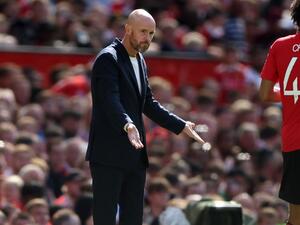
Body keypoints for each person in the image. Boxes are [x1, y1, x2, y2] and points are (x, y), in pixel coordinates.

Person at [85, 8, 204, 225]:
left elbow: (148, 103)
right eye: (142, 32)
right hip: (108, 154)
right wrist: (127, 124)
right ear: (128, 29)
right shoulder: (108, 58)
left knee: (133, 219)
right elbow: (109, 99)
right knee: (105, 218)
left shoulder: (139, 59)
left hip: (134, 155)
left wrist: (180, 125)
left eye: (151, 33)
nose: (147, 38)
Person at [259, 1, 300, 225]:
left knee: (296, 216)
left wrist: (288, 93)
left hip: (294, 140)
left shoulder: (280, 45)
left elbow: (265, 93)